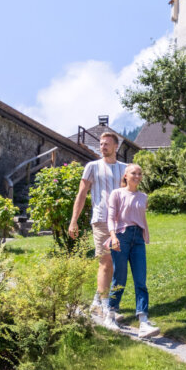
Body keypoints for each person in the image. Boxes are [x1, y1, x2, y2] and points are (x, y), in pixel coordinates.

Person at [69, 132, 126, 318]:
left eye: (107, 144)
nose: (103, 147)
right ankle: (105, 306)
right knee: (106, 261)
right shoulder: (92, 167)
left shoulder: (125, 169)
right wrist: (73, 220)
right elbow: (82, 194)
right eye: (101, 144)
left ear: (116, 146)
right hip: (101, 219)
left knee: (116, 264)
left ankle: (96, 301)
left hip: (122, 221)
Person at [105, 164, 160, 338]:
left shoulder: (143, 196)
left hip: (138, 240)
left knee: (140, 280)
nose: (137, 176)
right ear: (125, 176)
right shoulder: (117, 194)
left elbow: (142, 217)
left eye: (139, 173)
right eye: (133, 173)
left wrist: (146, 235)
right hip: (121, 237)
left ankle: (143, 321)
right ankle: (110, 315)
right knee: (119, 278)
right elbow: (111, 217)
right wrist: (113, 237)